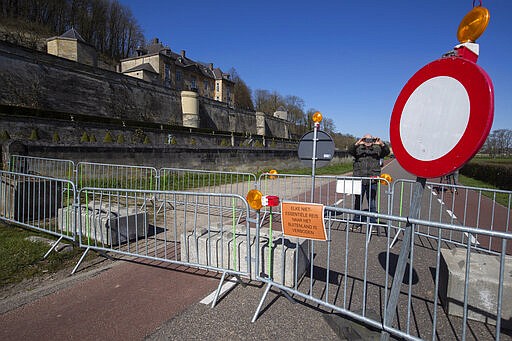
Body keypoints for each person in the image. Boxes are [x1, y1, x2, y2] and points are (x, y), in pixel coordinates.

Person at [348, 134, 390, 224]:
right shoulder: (358, 149)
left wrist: (382, 144)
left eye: (370, 140)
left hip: (372, 180)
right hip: (359, 180)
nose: (368, 142)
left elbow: (386, 153)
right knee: (358, 201)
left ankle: (373, 222)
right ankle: (356, 221)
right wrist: (358, 142)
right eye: (366, 139)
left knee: (372, 202)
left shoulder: (377, 149)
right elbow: (350, 151)